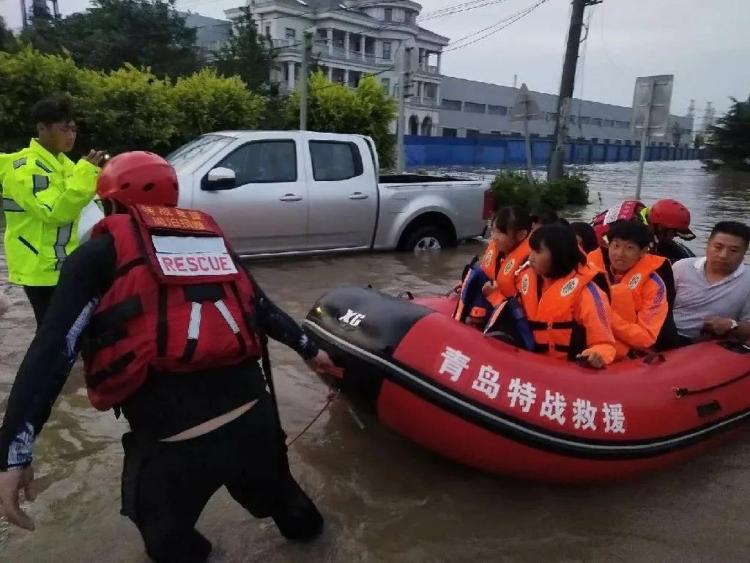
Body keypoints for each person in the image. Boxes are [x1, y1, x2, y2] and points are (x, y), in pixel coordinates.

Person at [0, 152, 342, 563]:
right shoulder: (210, 242)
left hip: (174, 445)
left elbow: (51, 354)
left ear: (109, 204)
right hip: (253, 422)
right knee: (299, 521)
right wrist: (312, 352)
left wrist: (13, 453)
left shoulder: (96, 256)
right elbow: (263, 309)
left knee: (171, 543)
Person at [1, 95, 106, 326]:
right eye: (64, 129)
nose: (71, 136)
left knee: (65, 331)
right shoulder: (25, 168)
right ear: (42, 128)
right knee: (52, 336)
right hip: (41, 267)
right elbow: (55, 212)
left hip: (64, 264)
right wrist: (87, 174)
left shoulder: (65, 165)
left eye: (73, 130)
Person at [516, 224, 616, 368]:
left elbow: (604, 344)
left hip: (567, 370)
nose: (530, 258)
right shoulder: (526, 280)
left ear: (558, 254)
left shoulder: (587, 293)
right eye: (531, 251)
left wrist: (596, 355)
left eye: (537, 252)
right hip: (531, 363)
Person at [594, 220, 675, 360]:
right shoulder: (592, 270)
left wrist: (605, 314)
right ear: (608, 245)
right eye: (616, 245)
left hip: (634, 353)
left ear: (643, 252)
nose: (620, 253)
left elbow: (646, 337)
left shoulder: (654, 285)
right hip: (596, 343)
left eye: (629, 248)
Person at [672, 221, 750, 344]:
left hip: (711, 346)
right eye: (718, 247)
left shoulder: (747, 280)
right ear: (707, 245)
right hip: (669, 335)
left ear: (744, 252)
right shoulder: (682, 267)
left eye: (733, 250)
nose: (723, 255)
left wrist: (732, 325)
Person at [481, 206, 532, 308]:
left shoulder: (528, 264)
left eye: (500, 232)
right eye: (493, 230)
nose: (494, 237)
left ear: (521, 235)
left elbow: (521, 314)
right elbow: (482, 272)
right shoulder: (499, 250)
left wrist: (493, 296)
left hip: (509, 316)